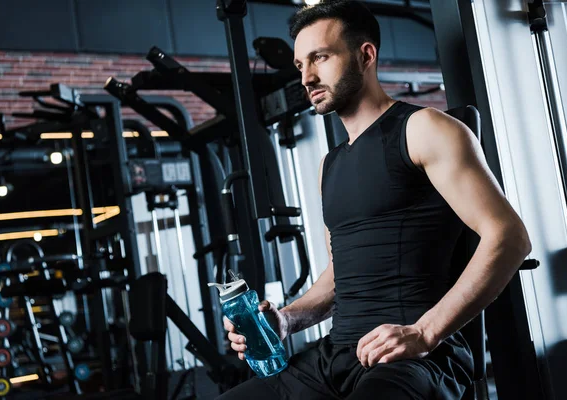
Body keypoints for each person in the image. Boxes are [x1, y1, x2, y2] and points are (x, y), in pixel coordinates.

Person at [217, 1, 531, 399]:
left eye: (321, 57)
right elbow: (336, 279)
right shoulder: (329, 165)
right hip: (334, 356)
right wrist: (285, 319)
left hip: (413, 358)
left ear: (366, 55)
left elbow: (510, 237)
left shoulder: (424, 129)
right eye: (300, 65)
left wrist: (425, 332)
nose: (308, 77)